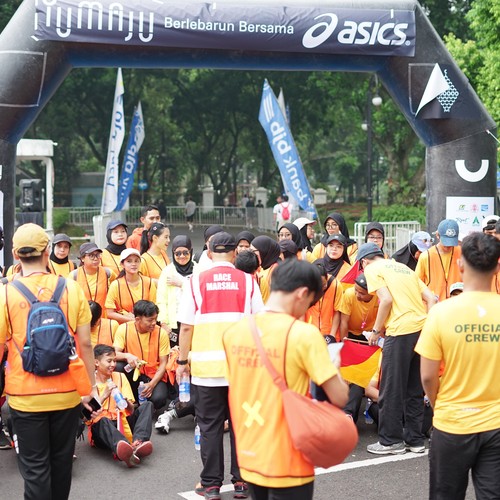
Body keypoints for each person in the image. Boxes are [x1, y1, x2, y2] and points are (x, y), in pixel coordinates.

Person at [222, 259, 349, 500]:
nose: (306, 310)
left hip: (249, 453)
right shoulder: (303, 334)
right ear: (302, 294)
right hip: (288, 457)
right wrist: (334, 366)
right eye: (310, 303)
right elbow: (340, 397)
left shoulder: (235, 332)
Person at [0, 223, 97, 500]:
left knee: (35, 469)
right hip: (67, 393)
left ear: (15, 254)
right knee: (61, 463)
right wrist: (90, 388)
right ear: (47, 252)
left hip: (25, 397)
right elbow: (86, 343)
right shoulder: (72, 288)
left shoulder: (5, 293)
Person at [176, 232, 264, 500]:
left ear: (209, 252)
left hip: (207, 371)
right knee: (242, 425)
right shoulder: (248, 281)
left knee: (210, 426)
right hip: (242, 369)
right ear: (235, 253)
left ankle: (211, 485)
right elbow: (261, 325)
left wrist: (182, 361)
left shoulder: (194, 282)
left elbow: (186, 327)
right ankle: (242, 481)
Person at [415, 232, 500, 500]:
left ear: (461, 265)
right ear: (497, 267)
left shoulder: (440, 313)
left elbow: (428, 376)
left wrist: (439, 405)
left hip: (452, 422)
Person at [357, 242, 437, 455]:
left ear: (364, 262)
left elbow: (386, 300)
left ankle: (390, 441)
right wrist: (428, 326)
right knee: (414, 389)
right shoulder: (404, 268)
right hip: (421, 330)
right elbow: (431, 298)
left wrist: (376, 331)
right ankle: (415, 440)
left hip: (400, 331)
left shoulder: (372, 269)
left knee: (391, 388)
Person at [86, 344, 154, 467]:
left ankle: (138, 442)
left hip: (122, 422)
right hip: (102, 430)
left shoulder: (120, 376)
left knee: (147, 405)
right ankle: (123, 447)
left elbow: (131, 410)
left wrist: (126, 402)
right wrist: (104, 395)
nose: (113, 364)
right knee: (103, 420)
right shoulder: (89, 382)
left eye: (114, 361)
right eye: (109, 361)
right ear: (96, 362)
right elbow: (86, 416)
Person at [114, 300, 169, 410]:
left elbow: (163, 363)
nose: (154, 323)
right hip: (133, 372)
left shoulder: (161, 333)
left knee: (159, 399)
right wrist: (127, 356)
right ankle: (129, 401)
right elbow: (114, 354)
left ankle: (143, 407)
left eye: (155, 319)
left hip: (153, 375)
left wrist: (151, 385)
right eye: (150, 320)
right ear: (138, 319)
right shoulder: (124, 329)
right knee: (117, 366)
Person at [157, 235, 196, 348]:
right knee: (175, 355)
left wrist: (182, 284)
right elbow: (161, 299)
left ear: (191, 251)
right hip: (173, 324)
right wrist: (163, 322)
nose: (182, 256)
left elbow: (201, 294)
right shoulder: (167, 272)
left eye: (185, 252)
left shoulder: (198, 270)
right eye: (178, 253)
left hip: (194, 322)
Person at [105, 248, 157, 324]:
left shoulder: (149, 283)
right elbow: (109, 313)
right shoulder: (116, 285)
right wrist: (129, 319)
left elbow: (154, 308)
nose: (133, 264)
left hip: (145, 325)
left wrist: (141, 320)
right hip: (124, 326)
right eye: (129, 261)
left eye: (136, 261)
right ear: (122, 264)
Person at [415, 218, 462, 302]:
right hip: (434, 305)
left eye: (452, 242)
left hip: (456, 304)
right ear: (437, 235)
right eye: (446, 242)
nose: (448, 246)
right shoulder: (426, 256)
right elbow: (417, 283)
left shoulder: (462, 253)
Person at [69, 242, 116, 317]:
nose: (95, 258)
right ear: (82, 258)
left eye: (97, 255)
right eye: (91, 255)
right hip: (83, 318)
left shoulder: (108, 273)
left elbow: (116, 292)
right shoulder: (74, 276)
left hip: (104, 318)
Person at [251, 235, 282, 303]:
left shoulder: (276, 270)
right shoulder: (262, 267)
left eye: (253, 251)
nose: (251, 254)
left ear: (263, 250)